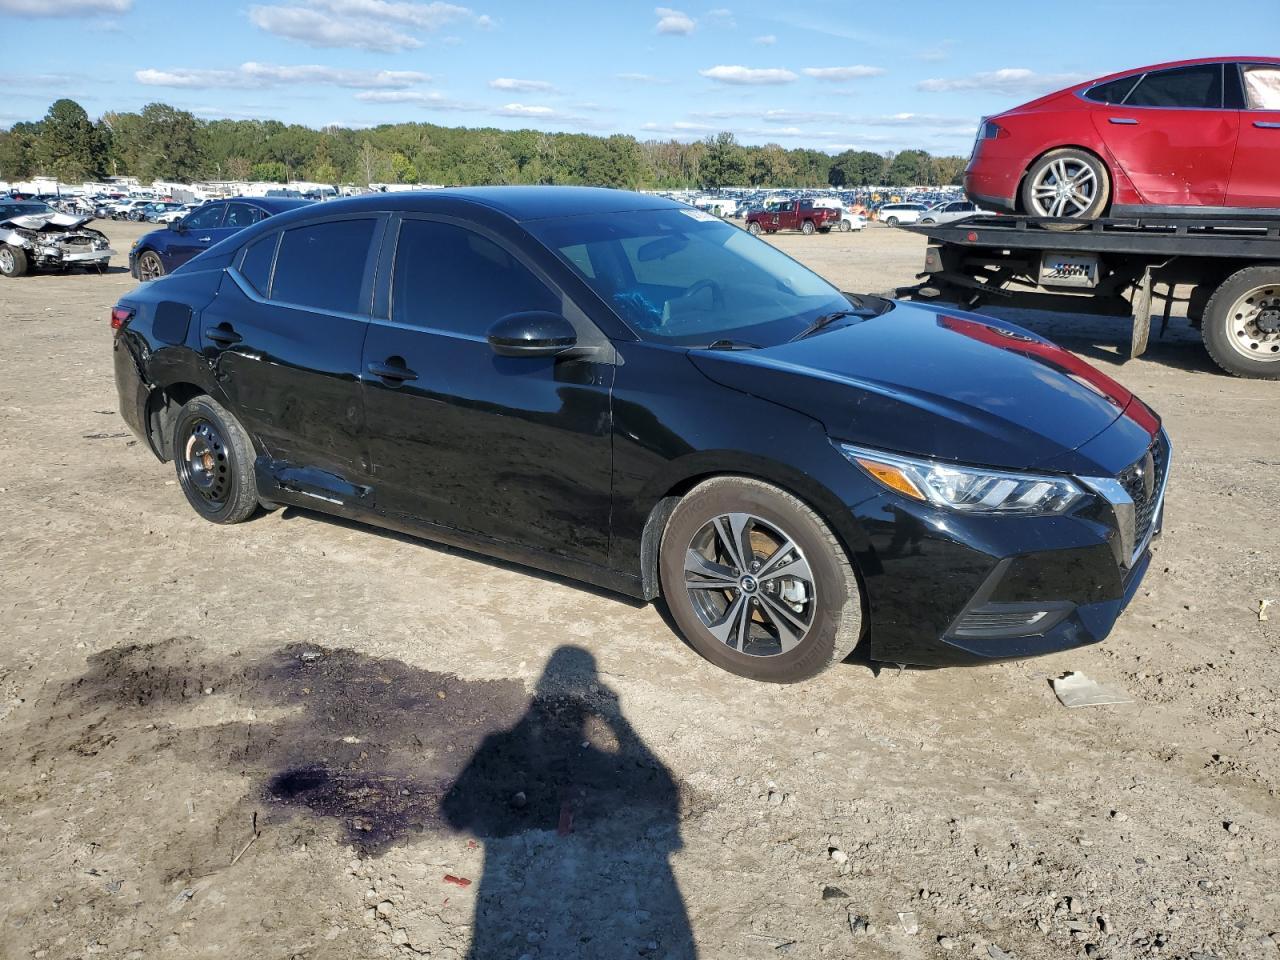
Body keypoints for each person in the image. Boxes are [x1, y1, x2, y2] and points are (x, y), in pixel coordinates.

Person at [443, 646, 696, 960]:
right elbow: (664, 788)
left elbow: (452, 813)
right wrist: (619, 723)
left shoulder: (500, 743)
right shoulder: (507, 746)